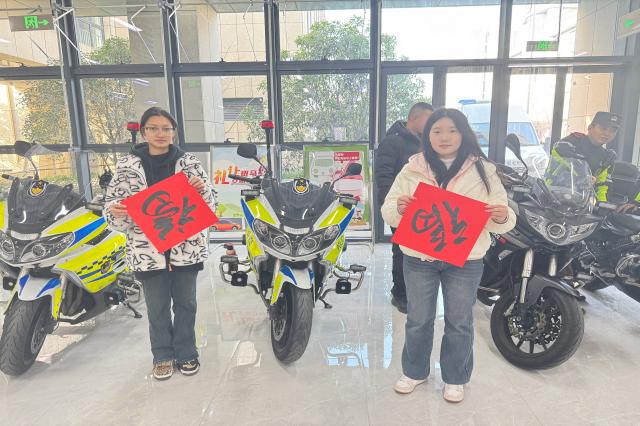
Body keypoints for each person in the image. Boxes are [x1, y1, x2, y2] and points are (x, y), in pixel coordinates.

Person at [381, 108, 515, 402]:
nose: (444, 137)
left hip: (465, 261)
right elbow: (388, 210)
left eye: (452, 130)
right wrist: (399, 208)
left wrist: (503, 215)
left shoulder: (484, 170)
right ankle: (414, 371)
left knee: (459, 321)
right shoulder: (412, 167)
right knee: (418, 319)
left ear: (463, 133)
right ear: (427, 135)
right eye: (437, 131)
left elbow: (503, 216)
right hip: (419, 258)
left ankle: (455, 377)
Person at [104, 107, 216, 381]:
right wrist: (116, 212)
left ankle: (187, 353)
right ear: (143, 132)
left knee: (186, 304)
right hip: (147, 251)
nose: (160, 133)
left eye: (166, 128)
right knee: (157, 308)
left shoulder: (189, 163)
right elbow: (112, 210)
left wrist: (202, 191)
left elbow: (210, 205)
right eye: (153, 128)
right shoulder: (127, 167)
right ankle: (162, 355)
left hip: (185, 248)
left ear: (174, 132)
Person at [375, 102, 434, 313]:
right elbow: (383, 177)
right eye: (428, 120)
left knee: (420, 252)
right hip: (402, 208)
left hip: (425, 208)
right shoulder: (392, 142)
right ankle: (400, 294)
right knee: (402, 251)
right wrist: (393, 205)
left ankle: (416, 293)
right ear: (414, 118)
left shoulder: (426, 142)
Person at [549, 112, 621, 203]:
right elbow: (558, 154)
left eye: (612, 131)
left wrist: (602, 205)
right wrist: (583, 175)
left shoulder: (607, 157)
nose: (607, 133)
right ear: (590, 127)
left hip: (583, 203)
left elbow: (602, 186)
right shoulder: (569, 142)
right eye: (603, 128)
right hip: (552, 196)